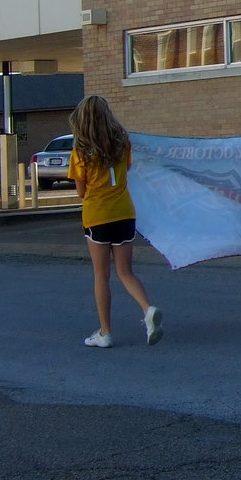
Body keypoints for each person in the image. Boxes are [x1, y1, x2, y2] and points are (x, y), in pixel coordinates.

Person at [67, 95, 161, 348]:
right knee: (126, 271)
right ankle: (147, 308)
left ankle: (105, 332)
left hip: (97, 215)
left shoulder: (80, 153)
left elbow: (81, 191)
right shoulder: (122, 145)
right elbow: (126, 171)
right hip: (124, 212)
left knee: (101, 274)